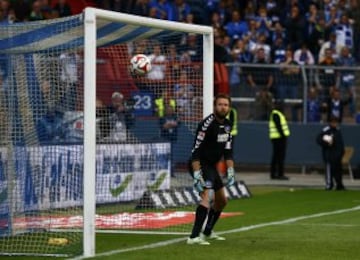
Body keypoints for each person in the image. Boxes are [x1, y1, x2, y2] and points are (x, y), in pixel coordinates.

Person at [187, 93, 235, 245]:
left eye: (226, 105)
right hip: (200, 164)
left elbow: (228, 151)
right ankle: (193, 237)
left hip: (212, 166)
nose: (223, 107)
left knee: (222, 201)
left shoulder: (228, 125)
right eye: (220, 104)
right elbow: (195, 150)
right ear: (215, 106)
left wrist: (231, 170)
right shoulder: (206, 124)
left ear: (229, 107)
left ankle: (207, 231)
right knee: (207, 197)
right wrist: (196, 174)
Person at [316, 116, 345, 190]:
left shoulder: (338, 130)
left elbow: (340, 143)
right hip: (329, 154)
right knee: (329, 170)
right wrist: (326, 143)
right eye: (334, 122)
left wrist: (342, 152)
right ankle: (329, 184)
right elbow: (319, 139)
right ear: (330, 122)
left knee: (338, 170)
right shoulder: (326, 130)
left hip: (338, 155)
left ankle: (339, 184)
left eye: (336, 122)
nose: (335, 124)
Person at [269, 99, 290, 180]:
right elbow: (279, 127)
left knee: (276, 156)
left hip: (277, 138)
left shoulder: (277, 114)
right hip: (279, 138)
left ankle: (274, 174)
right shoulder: (276, 114)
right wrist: (283, 135)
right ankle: (279, 174)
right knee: (279, 157)